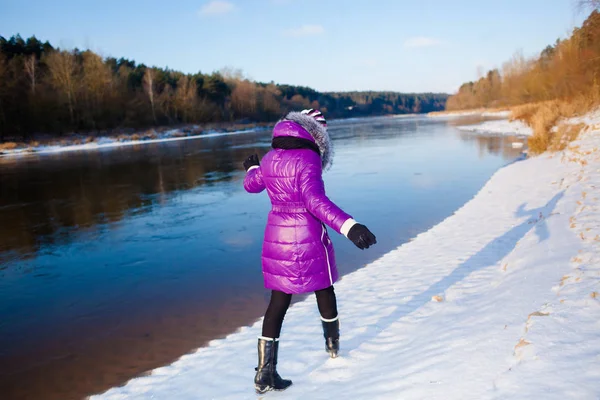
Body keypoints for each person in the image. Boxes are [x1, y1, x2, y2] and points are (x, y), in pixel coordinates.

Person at [243, 109, 377, 394]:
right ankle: (333, 348)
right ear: (316, 135)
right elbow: (314, 200)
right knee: (324, 289)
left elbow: (252, 185)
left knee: (278, 302)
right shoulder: (308, 158)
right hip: (306, 236)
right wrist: (350, 226)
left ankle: (264, 373)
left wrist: (253, 169)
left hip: (277, 236)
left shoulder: (270, 158)